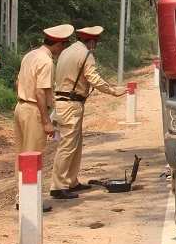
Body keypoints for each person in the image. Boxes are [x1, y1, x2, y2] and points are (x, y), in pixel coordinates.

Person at [50, 26, 126, 200]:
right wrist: (113, 91)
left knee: (74, 143)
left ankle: (71, 180)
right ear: (91, 41)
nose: (96, 45)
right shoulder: (85, 54)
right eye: (96, 42)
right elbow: (94, 78)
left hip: (63, 102)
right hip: (72, 104)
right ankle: (58, 186)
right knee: (68, 146)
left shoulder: (67, 51)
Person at [14, 24, 75, 212]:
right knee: (33, 156)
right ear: (57, 44)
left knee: (22, 155)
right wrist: (47, 122)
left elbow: (18, 82)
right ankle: (30, 201)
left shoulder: (30, 55)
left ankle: (21, 196)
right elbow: (40, 93)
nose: (63, 50)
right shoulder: (46, 62)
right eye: (63, 46)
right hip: (33, 109)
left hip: (21, 107)